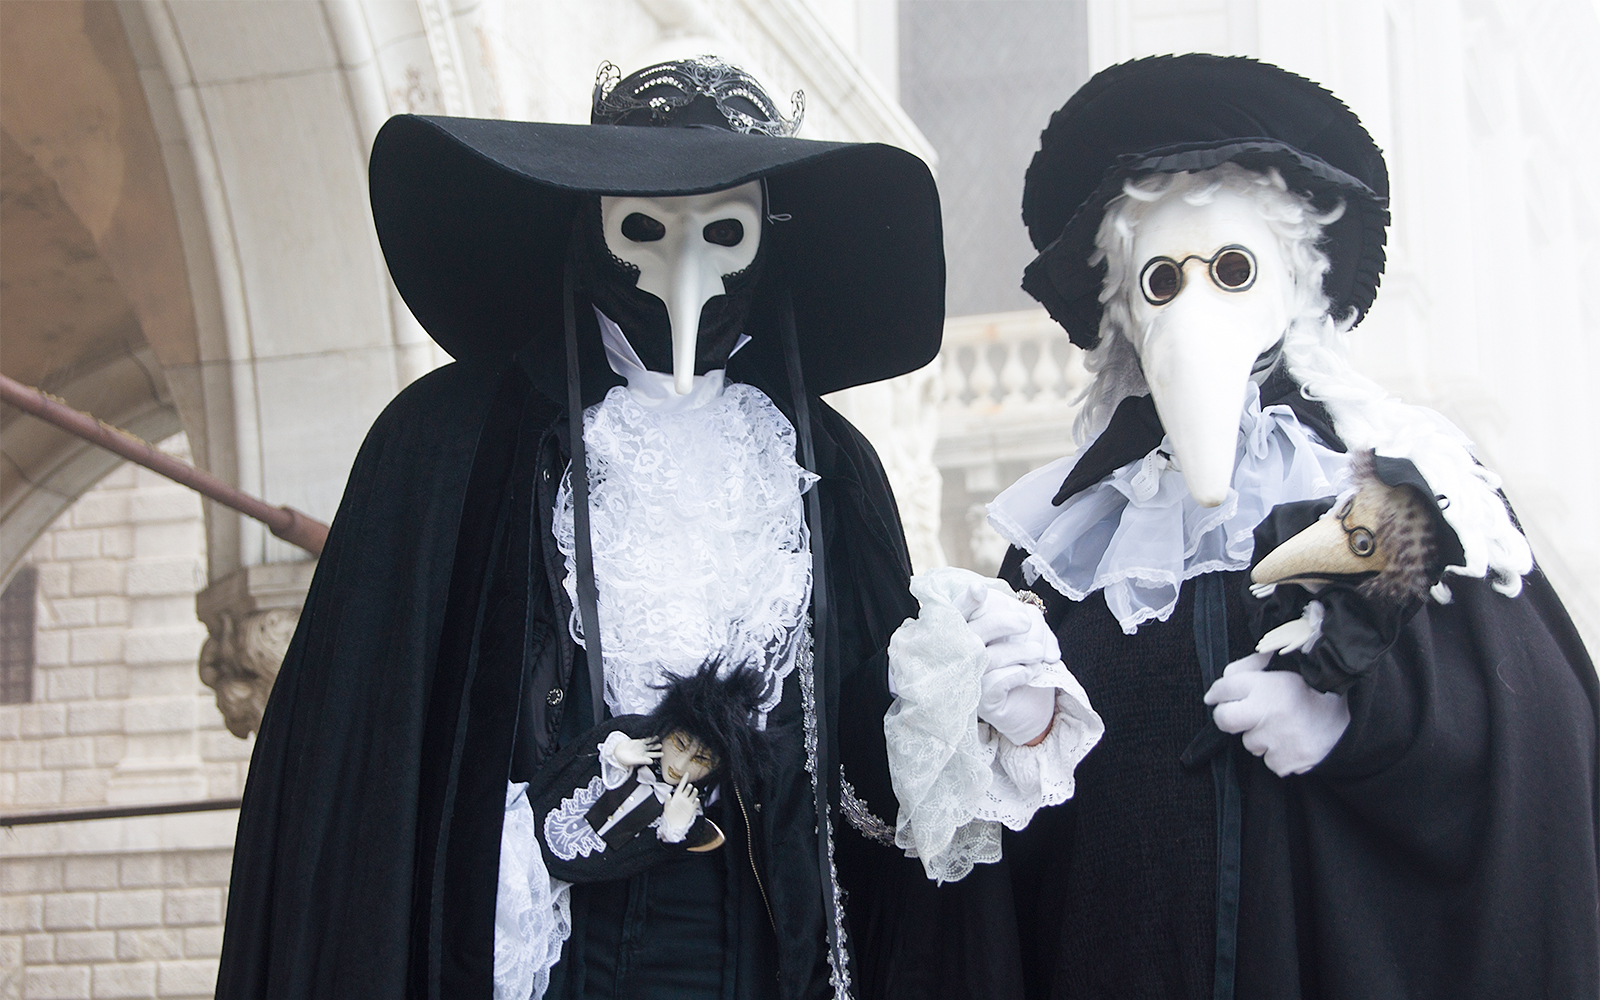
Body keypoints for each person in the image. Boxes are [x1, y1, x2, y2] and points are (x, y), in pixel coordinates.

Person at [215, 55, 1047, 1000]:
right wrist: (531, 834)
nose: (685, 271)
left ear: (766, 242)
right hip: (558, 958)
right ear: (590, 225)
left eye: (724, 232)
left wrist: (943, 688)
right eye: (644, 228)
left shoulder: (825, 465)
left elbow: (852, 772)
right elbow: (370, 766)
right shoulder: (456, 443)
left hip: (767, 958)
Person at [960, 53, 1597, 999]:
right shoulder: (1067, 542)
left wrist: (1364, 721)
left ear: (1292, 275)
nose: (1195, 304)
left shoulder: (1399, 483)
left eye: (1232, 268)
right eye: (1160, 280)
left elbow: (1537, 742)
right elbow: (1000, 873)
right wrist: (1015, 742)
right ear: (1124, 306)